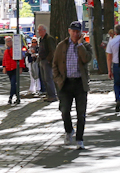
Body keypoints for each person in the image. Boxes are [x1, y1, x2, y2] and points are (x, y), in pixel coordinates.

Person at [53, 20, 92, 149]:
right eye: (73, 31)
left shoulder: (85, 46)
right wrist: (58, 79)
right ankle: (69, 131)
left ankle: (79, 139)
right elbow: (55, 64)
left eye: (77, 32)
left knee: (81, 113)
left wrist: (80, 45)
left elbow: (86, 59)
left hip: (80, 84)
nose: (75, 34)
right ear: (69, 31)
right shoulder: (61, 46)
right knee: (65, 111)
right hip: (65, 83)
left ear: (81, 33)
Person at [37, 24, 58, 103]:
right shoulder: (41, 39)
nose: (39, 32)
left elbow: (52, 50)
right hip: (42, 60)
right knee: (44, 79)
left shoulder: (49, 39)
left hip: (46, 61)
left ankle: (52, 95)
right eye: (38, 30)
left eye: (40, 30)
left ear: (44, 30)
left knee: (48, 79)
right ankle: (48, 94)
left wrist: (48, 60)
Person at [2, 36, 23, 105]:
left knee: (13, 84)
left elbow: (20, 58)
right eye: (8, 41)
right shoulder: (6, 51)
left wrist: (20, 67)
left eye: (10, 41)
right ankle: (17, 97)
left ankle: (10, 97)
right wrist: (4, 67)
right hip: (9, 69)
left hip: (15, 68)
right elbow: (4, 60)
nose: (9, 42)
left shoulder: (16, 49)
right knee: (13, 84)